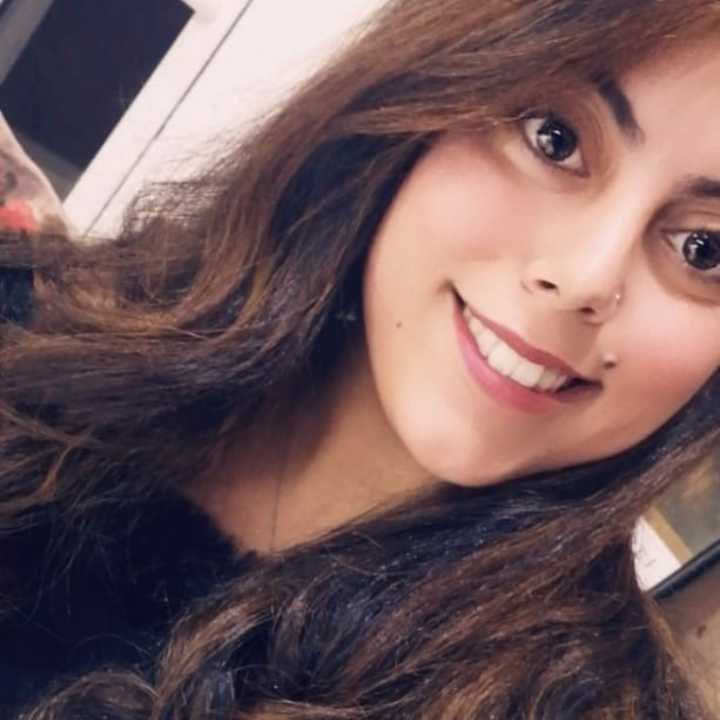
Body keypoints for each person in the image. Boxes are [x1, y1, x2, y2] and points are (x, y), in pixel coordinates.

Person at [1, 0, 720, 717]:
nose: (584, 277)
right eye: (554, 138)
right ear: (417, 98)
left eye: (703, 249)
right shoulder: (35, 326)